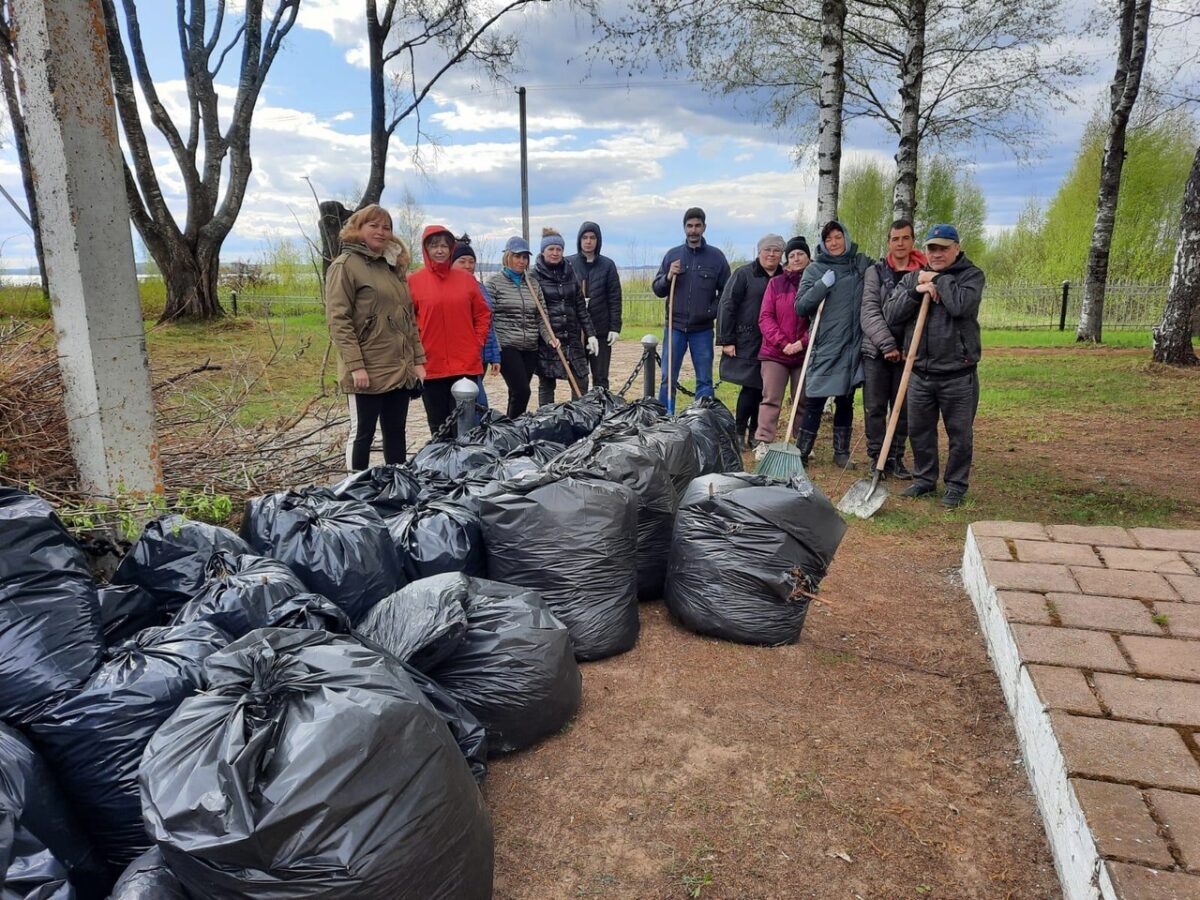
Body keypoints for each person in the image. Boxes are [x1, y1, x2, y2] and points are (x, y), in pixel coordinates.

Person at [883, 223, 985, 508]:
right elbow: (891, 314)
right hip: (919, 370)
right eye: (932, 248)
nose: (937, 253)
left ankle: (955, 485)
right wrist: (918, 289)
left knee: (960, 433)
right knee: (920, 430)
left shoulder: (971, 276)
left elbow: (960, 306)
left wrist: (939, 281)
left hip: (957, 372)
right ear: (925, 250)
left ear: (957, 248)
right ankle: (925, 480)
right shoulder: (912, 278)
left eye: (943, 248)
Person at [324, 204, 426, 470]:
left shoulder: (393, 268)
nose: (381, 232)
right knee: (363, 435)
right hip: (367, 368)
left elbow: (408, 319)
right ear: (358, 228)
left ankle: (397, 486)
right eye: (374, 225)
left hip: (398, 367)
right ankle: (353, 494)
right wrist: (356, 365)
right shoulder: (345, 266)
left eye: (387, 227)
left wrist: (417, 360)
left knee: (396, 432)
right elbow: (339, 320)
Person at [793, 220, 872, 468]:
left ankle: (841, 452)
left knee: (846, 399)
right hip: (825, 344)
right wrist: (822, 286)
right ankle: (802, 452)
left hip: (850, 345)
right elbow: (801, 306)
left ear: (846, 238)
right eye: (829, 239)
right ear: (823, 243)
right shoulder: (815, 270)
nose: (834, 243)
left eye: (838, 237)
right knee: (815, 398)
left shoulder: (859, 265)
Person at [408, 224, 492, 434]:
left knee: (465, 425)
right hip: (432, 365)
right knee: (438, 426)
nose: (440, 250)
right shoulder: (413, 282)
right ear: (426, 249)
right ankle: (440, 464)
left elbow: (482, 314)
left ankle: (465, 464)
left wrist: (477, 342)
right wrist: (415, 355)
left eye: (444, 246)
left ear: (451, 248)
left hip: (464, 364)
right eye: (434, 246)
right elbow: (407, 322)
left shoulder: (466, 281)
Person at [860, 219, 926, 478]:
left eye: (905, 238)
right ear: (889, 242)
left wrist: (907, 347)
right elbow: (869, 311)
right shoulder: (875, 272)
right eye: (895, 239)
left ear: (912, 241)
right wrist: (887, 344)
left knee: (903, 408)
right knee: (874, 406)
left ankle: (896, 457)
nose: (900, 243)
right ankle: (877, 457)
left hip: (911, 352)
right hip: (877, 351)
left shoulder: (924, 271)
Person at [652, 207, 730, 409]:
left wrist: (710, 312)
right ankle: (665, 420)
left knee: (704, 380)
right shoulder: (673, 256)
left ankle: (703, 420)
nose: (693, 230)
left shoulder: (716, 258)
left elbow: (726, 293)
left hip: (702, 330)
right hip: (675, 328)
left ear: (704, 227)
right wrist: (668, 276)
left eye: (697, 226)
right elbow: (658, 289)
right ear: (684, 228)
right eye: (689, 226)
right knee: (668, 377)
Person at [718, 234, 784, 449]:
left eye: (776, 250)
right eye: (768, 250)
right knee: (750, 386)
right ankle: (739, 431)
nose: (771, 254)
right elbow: (728, 305)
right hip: (748, 339)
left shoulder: (785, 277)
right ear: (759, 252)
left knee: (765, 388)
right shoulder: (744, 274)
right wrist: (727, 339)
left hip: (773, 341)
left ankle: (757, 431)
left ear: (781, 254)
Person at [753, 236, 811, 454]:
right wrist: (784, 343)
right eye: (792, 255)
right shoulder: (775, 284)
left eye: (801, 255)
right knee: (771, 399)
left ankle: (801, 442)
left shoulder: (816, 284)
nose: (796, 259)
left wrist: (801, 343)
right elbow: (765, 317)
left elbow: (818, 320)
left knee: (802, 399)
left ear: (808, 258)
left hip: (803, 352)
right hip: (775, 352)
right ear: (787, 260)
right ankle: (764, 442)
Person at [531, 228, 598, 405]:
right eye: (551, 249)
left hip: (572, 337)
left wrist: (590, 334)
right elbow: (535, 312)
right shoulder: (534, 276)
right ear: (543, 251)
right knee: (546, 385)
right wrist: (546, 336)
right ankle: (546, 421)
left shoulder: (570, 272)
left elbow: (580, 307)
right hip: (548, 339)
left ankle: (579, 418)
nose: (555, 253)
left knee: (581, 380)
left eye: (558, 249)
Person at [484, 236, 548, 417]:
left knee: (517, 393)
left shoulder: (532, 284)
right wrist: (494, 347)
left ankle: (511, 429)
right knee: (522, 391)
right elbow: (487, 318)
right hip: (507, 345)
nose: (522, 261)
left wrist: (550, 338)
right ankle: (513, 427)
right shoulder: (494, 283)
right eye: (517, 256)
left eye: (525, 257)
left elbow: (542, 317)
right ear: (508, 257)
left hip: (530, 347)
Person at [568, 221, 623, 390]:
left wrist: (615, 327)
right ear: (579, 240)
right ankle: (579, 414)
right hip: (577, 332)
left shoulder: (607, 265)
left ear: (598, 240)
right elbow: (561, 294)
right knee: (579, 380)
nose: (588, 241)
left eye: (592, 237)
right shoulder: (569, 264)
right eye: (585, 237)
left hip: (600, 330)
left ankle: (600, 412)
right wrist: (575, 300)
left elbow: (615, 298)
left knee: (600, 378)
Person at [451, 236, 501, 414]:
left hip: (482, 354)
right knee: (477, 402)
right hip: (463, 356)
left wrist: (495, 356)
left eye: (471, 261)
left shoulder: (479, 287)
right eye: (462, 261)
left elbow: (489, 323)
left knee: (474, 399)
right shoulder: (449, 290)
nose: (468, 265)